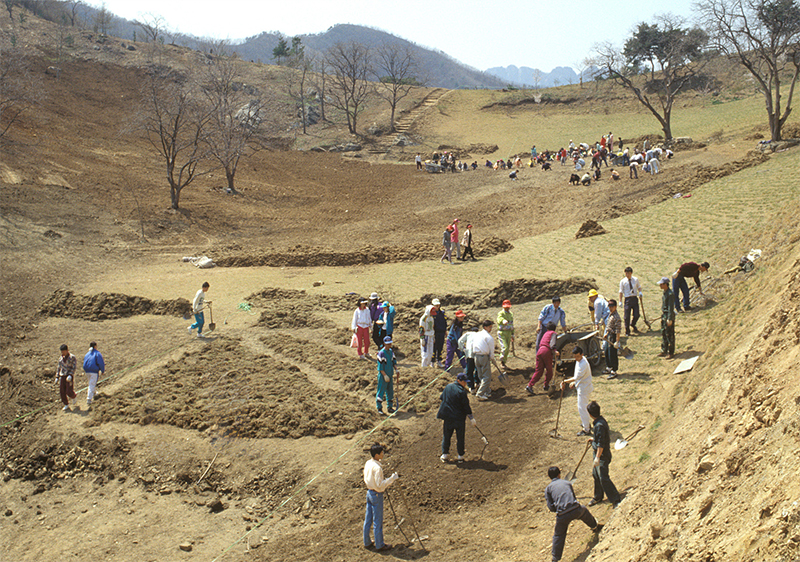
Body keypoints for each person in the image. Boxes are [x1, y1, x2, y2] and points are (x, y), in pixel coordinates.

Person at [545, 466, 602, 562]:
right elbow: (573, 498)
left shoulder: (548, 489)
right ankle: (595, 527)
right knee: (584, 512)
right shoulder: (567, 483)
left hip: (562, 515)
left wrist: (558, 508)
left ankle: (555, 558)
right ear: (559, 474)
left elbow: (550, 507)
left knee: (559, 535)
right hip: (576, 509)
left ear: (550, 477)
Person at [363, 444, 399, 552]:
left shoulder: (368, 463)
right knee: (377, 520)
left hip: (369, 492)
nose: (383, 454)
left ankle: (367, 542)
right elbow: (380, 485)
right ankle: (379, 544)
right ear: (377, 454)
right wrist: (392, 479)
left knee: (368, 519)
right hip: (377, 495)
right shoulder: (377, 468)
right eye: (382, 453)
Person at [586, 401, 621, 507]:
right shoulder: (599, 421)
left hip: (602, 456)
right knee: (595, 474)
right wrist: (593, 439)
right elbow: (600, 439)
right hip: (598, 453)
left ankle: (616, 499)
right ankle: (598, 496)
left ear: (590, 414)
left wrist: (597, 457)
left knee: (603, 478)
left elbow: (601, 444)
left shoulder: (599, 425)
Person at [437, 373, 476, 462]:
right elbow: (466, 406)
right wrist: (471, 418)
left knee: (446, 436)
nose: (465, 384)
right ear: (458, 381)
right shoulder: (462, 392)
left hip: (447, 417)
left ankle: (445, 454)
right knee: (460, 437)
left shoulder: (447, 387)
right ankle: (460, 456)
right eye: (464, 382)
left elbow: (442, 397)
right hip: (458, 418)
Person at [560, 346, 593, 436]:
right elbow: (578, 377)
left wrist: (565, 381)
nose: (576, 358)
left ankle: (586, 429)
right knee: (583, 407)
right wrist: (574, 382)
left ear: (582, 354)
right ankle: (586, 423)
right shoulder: (580, 360)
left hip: (584, 388)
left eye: (578, 356)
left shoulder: (583, 364)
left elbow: (577, 377)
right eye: (575, 356)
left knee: (582, 408)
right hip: (582, 386)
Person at [470, 319, 503, 401]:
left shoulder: (477, 335)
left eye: (491, 327)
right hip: (484, 357)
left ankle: (486, 391)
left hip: (476, 356)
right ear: (485, 327)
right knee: (487, 377)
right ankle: (480, 393)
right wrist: (493, 359)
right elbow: (491, 351)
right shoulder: (489, 338)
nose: (491, 329)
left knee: (481, 375)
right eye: (489, 327)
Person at [526, 322, 559, 394]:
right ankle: (546, 385)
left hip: (540, 351)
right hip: (546, 351)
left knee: (539, 370)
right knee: (549, 370)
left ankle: (530, 385)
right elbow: (552, 344)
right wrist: (555, 351)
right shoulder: (553, 333)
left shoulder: (545, 333)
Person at [376, 337, 397, 415]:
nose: (389, 345)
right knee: (381, 391)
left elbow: (393, 361)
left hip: (390, 374)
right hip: (383, 376)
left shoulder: (391, 352)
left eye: (390, 343)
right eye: (388, 344)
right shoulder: (381, 353)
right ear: (384, 343)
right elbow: (380, 367)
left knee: (390, 391)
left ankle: (390, 407)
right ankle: (379, 408)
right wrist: (384, 375)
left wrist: (396, 369)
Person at [619, 266, 643, 335]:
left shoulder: (635, 279)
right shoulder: (623, 281)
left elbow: (639, 287)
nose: (627, 275)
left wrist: (640, 292)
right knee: (627, 316)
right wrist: (620, 301)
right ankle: (627, 330)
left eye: (628, 273)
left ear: (631, 273)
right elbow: (621, 291)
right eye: (626, 273)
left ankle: (632, 324)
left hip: (634, 298)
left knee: (637, 314)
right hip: (627, 299)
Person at [82, 341, 105, 408]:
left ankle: (94, 393)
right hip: (94, 371)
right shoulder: (97, 353)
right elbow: (101, 362)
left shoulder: (87, 354)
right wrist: (102, 370)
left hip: (87, 370)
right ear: (95, 346)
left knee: (91, 382)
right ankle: (89, 399)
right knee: (92, 384)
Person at [55, 344, 77, 412]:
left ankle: (73, 396)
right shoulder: (61, 358)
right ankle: (66, 404)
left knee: (68, 391)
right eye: (62, 352)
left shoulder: (72, 357)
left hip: (68, 375)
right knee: (62, 391)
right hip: (62, 375)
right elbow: (59, 367)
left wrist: (70, 374)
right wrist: (57, 377)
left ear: (67, 350)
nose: (63, 353)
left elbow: (74, 367)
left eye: (64, 351)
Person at [658, 277, 676, 358]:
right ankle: (664, 350)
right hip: (664, 315)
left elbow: (670, 308)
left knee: (669, 334)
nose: (660, 286)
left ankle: (670, 352)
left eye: (662, 284)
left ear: (666, 284)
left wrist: (670, 318)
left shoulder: (670, 294)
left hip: (668, 316)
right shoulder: (665, 293)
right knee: (664, 333)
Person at [604, 300, 622, 379]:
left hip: (614, 336)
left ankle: (614, 371)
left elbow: (618, 331)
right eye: (609, 307)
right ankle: (609, 367)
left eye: (612, 307)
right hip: (609, 336)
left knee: (613, 354)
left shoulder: (617, 317)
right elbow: (609, 326)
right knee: (607, 352)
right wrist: (606, 334)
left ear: (615, 307)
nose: (610, 308)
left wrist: (617, 341)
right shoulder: (610, 315)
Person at [496, 299, 514, 369]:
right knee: (505, 347)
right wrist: (503, 320)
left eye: (508, 306)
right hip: (502, 332)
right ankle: (501, 361)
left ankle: (504, 361)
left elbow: (512, 324)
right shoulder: (501, 313)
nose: (507, 308)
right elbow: (499, 319)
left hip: (509, 332)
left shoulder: (511, 314)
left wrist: (512, 334)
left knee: (508, 348)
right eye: (505, 307)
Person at [432, 298, 448, 368]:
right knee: (434, 348)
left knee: (440, 347)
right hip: (435, 333)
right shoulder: (432, 314)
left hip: (441, 332)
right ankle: (432, 361)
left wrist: (445, 331)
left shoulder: (442, 313)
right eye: (436, 305)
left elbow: (444, 323)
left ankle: (439, 360)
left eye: (438, 305)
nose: (437, 307)